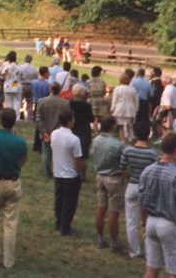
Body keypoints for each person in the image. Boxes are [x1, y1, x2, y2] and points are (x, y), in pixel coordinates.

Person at [138, 132, 176, 278]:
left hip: (151, 221)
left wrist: (144, 224)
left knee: (151, 268)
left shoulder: (147, 171)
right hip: (170, 225)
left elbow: (142, 202)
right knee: (175, 272)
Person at [0, 107, 27, 269]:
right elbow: (23, 160)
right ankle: (9, 261)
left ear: (0, 120)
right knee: (11, 223)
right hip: (13, 183)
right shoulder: (20, 142)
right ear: (14, 122)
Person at [121, 120, 159, 259]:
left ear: (135, 134)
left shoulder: (128, 150)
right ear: (148, 134)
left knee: (131, 220)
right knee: (148, 220)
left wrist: (129, 176)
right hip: (147, 187)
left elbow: (122, 168)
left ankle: (134, 250)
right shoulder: (152, 154)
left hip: (132, 184)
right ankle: (150, 250)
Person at [91, 115, 126, 253]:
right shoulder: (117, 144)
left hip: (100, 176)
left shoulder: (96, 141)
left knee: (101, 208)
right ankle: (114, 241)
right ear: (112, 126)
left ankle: (100, 238)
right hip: (113, 177)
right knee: (113, 211)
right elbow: (123, 162)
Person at [51, 109, 83, 236]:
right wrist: (79, 174)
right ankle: (65, 227)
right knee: (69, 202)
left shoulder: (54, 134)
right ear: (69, 121)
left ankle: (58, 222)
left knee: (59, 199)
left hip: (58, 172)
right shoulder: (74, 139)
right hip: (70, 175)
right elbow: (77, 160)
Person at [36, 81, 70, 178]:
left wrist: (44, 132)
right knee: (58, 154)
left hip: (45, 130)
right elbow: (65, 118)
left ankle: (47, 173)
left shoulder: (41, 101)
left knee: (46, 154)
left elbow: (38, 118)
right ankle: (56, 172)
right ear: (59, 90)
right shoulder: (65, 103)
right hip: (59, 131)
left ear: (50, 90)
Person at [111, 73, 139, 140]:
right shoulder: (132, 89)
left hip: (119, 109)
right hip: (130, 109)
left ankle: (122, 138)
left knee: (121, 126)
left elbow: (115, 99)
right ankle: (130, 138)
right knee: (129, 125)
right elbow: (136, 100)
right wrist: (136, 108)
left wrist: (112, 108)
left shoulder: (117, 89)